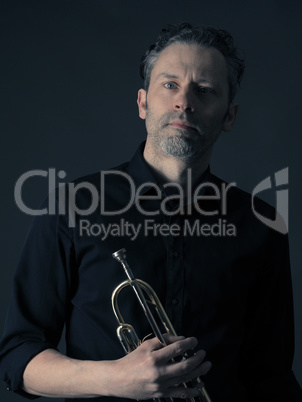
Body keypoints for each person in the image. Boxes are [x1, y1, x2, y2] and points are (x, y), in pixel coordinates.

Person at [0, 22, 301, 402]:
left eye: (204, 91)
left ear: (229, 116)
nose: (184, 102)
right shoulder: (71, 206)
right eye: (170, 85)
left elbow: (271, 377)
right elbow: (17, 358)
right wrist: (112, 378)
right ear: (143, 102)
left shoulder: (262, 224)